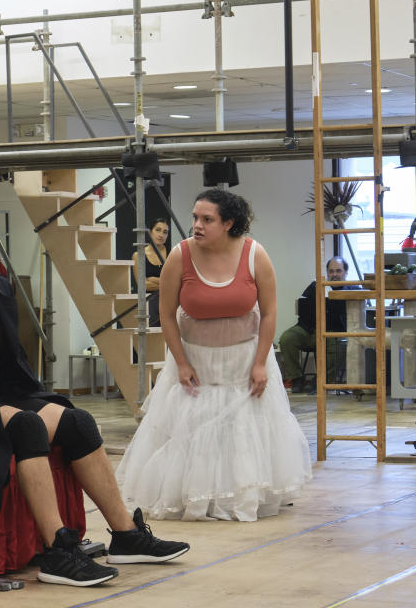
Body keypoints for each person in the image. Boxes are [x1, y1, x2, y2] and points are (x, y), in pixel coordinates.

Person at [0, 198, 190, 588]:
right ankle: (57, 551)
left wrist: (37, 395)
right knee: (29, 426)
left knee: (78, 422)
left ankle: (125, 534)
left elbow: (9, 357)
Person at [116, 189, 311, 522]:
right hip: (196, 360)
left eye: (207, 219)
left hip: (244, 360)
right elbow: (165, 314)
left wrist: (261, 362)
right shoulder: (179, 256)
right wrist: (180, 362)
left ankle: (243, 494)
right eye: (195, 217)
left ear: (228, 223)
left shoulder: (255, 254)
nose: (197, 225)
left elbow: (269, 313)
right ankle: (195, 498)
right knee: (193, 429)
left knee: (243, 430)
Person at [278, 257, 356, 392]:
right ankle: (296, 378)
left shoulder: (353, 289)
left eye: (338, 271)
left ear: (346, 272)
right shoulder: (316, 286)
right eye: (331, 271)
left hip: (333, 334)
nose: (334, 275)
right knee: (287, 338)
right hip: (309, 330)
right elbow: (303, 306)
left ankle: (323, 381)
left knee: (336, 342)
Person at [132, 218, 169, 326]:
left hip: (169, 303)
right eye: (158, 230)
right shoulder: (138, 255)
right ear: (150, 231)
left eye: (165, 232)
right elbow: (143, 285)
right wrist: (166, 283)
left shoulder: (173, 254)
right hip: (149, 303)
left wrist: (151, 279)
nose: (161, 234)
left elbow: (177, 283)